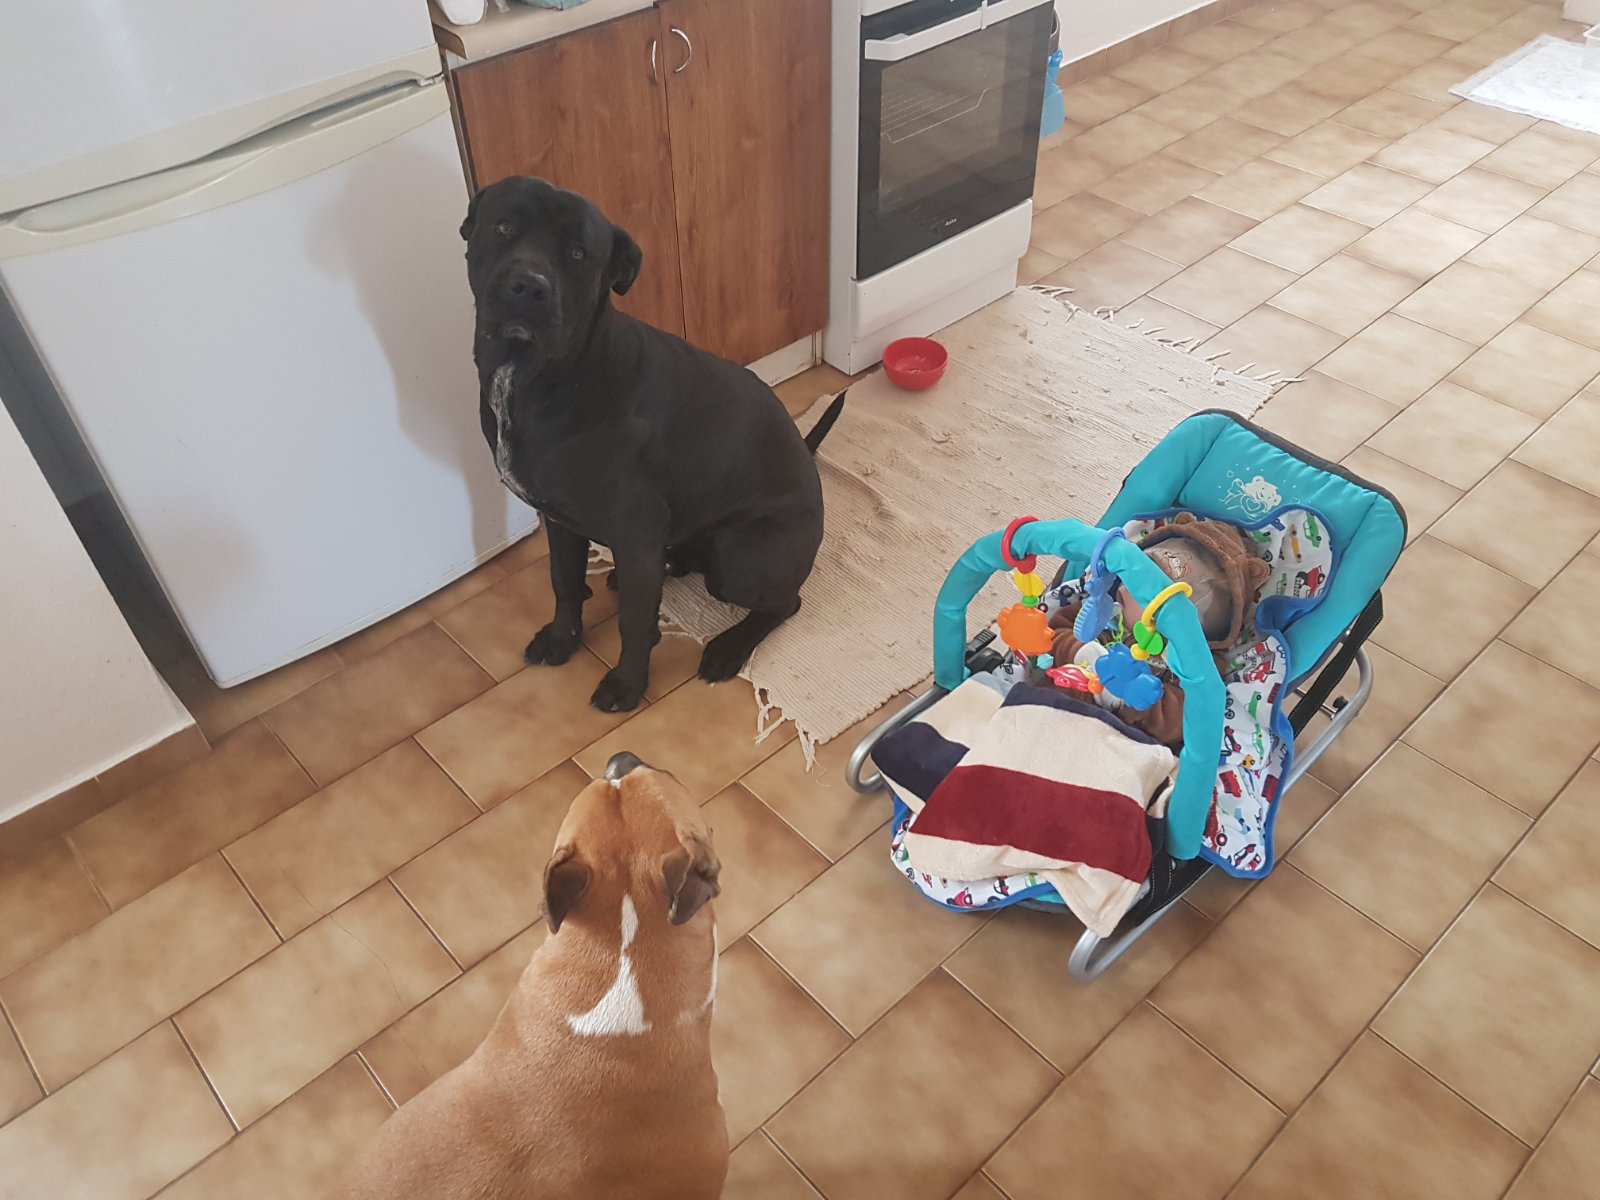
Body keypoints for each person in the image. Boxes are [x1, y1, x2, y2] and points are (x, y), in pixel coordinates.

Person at [1038, 513, 1271, 748]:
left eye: (1144, 595)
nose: (1125, 587)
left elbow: (1184, 722)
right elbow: (1051, 635)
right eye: (1131, 577)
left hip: (1113, 744)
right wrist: (1081, 651)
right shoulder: (1103, 612)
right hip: (1047, 710)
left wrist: (1132, 699)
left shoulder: (1195, 665)